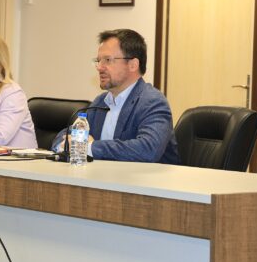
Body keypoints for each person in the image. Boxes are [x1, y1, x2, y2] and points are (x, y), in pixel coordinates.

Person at [55, 29, 179, 164]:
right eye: (98, 61)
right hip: (104, 176)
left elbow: (148, 149)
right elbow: (65, 134)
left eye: (107, 60)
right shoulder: (101, 101)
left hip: (144, 177)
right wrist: (66, 145)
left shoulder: (153, 102)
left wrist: (90, 147)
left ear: (133, 65)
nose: (99, 67)